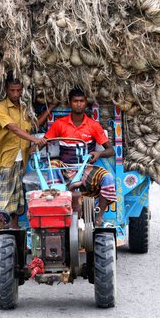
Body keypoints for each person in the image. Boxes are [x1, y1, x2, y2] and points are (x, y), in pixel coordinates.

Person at [44, 87, 116, 226]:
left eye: (81, 101)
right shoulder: (60, 124)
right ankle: (54, 211)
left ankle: (99, 216)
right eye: (75, 101)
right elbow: (43, 142)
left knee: (108, 178)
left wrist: (99, 153)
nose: (78, 104)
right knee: (51, 166)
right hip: (64, 167)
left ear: (86, 103)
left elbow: (111, 150)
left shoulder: (93, 125)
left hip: (85, 168)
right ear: (70, 103)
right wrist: (37, 143)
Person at [0, 75, 54, 229]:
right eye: (12, 90)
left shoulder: (24, 108)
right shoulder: (1, 108)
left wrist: (50, 108)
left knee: (18, 191)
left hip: (23, 157)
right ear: (6, 90)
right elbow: (13, 128)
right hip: (8, 156)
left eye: (18, 90)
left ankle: (14, 226)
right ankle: (1, 221)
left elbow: (33, 125)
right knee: (7, 187)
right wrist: (34, 140)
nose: (15, 94)